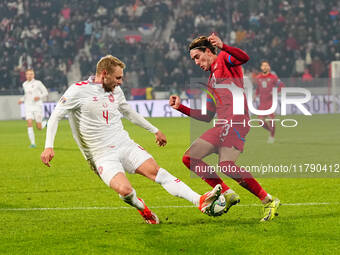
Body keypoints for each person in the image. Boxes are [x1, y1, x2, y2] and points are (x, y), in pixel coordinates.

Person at [40, 55, 222, 224]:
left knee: (158, 172)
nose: (121, 82)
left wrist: (154, 130)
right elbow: (55, 116)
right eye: (118, 78)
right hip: (100, 154)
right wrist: (49, 146)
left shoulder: (116, 91)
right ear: (104, 74)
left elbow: (128, 112)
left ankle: (199, 200)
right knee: (125, 191)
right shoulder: (77, 91)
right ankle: (142, 208)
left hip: (124, 144)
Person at [169, 34, 280, 222]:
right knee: (192, 158)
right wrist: (181, 108)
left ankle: (259, 199)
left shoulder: (224, 58)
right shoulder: (211, 81)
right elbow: (206, 116)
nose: (196, 62)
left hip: (236, 120)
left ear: (207, 51)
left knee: (219, 163)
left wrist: (223, 46)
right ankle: (258, 198)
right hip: (223, 123)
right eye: (193, 59)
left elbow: (244, 57)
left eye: (197, 57)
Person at [254, 61, 285, 144]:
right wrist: (255, 95)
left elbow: (281, 85)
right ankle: (271, 131)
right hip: (262, 102)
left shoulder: (273, 77)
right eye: (263, 65)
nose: (265, 67)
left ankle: (272, 136)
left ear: (269, 67)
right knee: (260, 122)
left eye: (266, 65)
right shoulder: (258, 78)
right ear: (261, 67)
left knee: (271, 120)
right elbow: (258, 88)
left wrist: (275, 92)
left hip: (270, 102)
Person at [18, 69, 48, 148]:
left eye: (31, 74)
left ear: (33, 75)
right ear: (25, 75)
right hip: (28, 106)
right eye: (28, 74)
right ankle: (33, 143)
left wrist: (39, 97)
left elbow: (45, 92)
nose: (29, 75)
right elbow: (26, 95)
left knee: (39, 127)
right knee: (29, 123)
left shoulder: (38, 83)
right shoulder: (24, 84)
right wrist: (21, 99)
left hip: (37, 106)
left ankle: (45, 123)